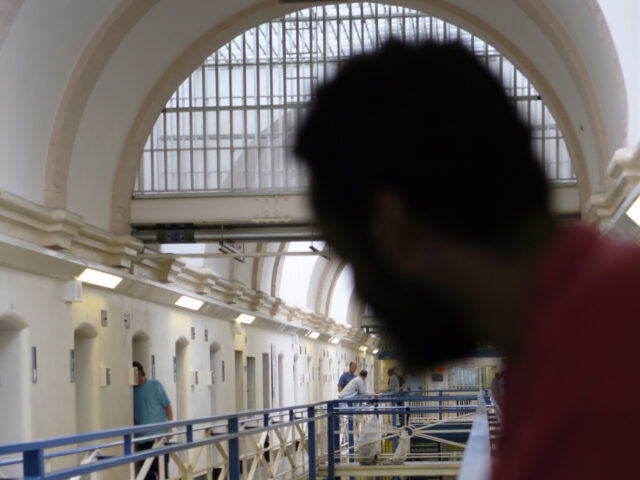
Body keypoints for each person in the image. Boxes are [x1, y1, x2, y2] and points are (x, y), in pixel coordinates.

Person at [295, 39, 640, 479]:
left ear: (392, 227)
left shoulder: (596, 368)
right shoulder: (559, 344)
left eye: (351, 257)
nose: (363, 290)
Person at [133, 361, 173, 480]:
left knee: (162, 472)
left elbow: (168, 406)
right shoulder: (132, 391)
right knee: (146, 475)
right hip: (142, 439)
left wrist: (169, 427)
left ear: (140, 373)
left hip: (159, 438)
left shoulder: (156, 386)